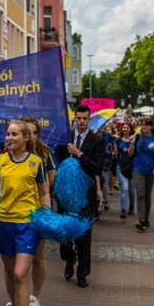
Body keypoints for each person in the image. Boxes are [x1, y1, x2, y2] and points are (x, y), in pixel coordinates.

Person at [0, 120, 51, 306]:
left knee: (19, 274)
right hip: (3, 223)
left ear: (26, 138)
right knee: (10, 274)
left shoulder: (36, 162)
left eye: (14, 134)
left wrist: (47, 217)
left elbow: (43, 193)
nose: (9, 138)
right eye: (7, 134)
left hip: (27, 224)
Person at [54, 105, 104, 287]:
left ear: (89, 119)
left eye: (85, 118)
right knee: (65, 232)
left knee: (83, 234)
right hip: (65, 195)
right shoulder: (64, 138)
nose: (81, 121)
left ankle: (83, 273)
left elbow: (97, 167)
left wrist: (79, 154)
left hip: (85, 196)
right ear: (74, 118)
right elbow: (56, 163)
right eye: (78, 118)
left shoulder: (97, 141)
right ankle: (68, 259)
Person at [128, 117, 154, 232]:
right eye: (142, 124)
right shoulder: (137, 138)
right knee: (141, 194)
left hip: (150, 170)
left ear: (152, 127)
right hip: (137, 169)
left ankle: (146, 219)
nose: (144, 126)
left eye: (147, 125)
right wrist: (132, 144)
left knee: (147, 195)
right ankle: (141, 219)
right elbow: (130, 154)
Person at [116, 122, 137, 219]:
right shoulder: (118, 140)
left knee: (132, 189)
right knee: (125, 188)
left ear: (131, 129)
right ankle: (123, 209)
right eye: (124, 127)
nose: (125, 129)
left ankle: (131, 206)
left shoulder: (135, 140)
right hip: (120, 165)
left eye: (127, 128)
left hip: (132, 166)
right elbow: (115, 153)